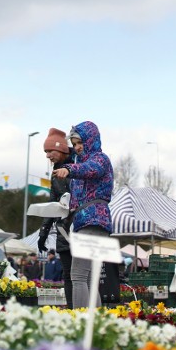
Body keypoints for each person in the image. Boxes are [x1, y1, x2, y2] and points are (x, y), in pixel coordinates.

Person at [51, 121, 114, 309]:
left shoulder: (99, 159)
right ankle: (97, 321)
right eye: (75, 143)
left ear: (91, 140)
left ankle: (79, 321)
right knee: (88, 278)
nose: (77, 147)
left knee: (78, 276)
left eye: (80, 143)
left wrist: (69, 169)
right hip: (89, 223)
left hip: (92, 221)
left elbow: (89, 169)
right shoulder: (82, 162)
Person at [37, 127, 75, 305]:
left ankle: (86, 312)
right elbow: (52, 205)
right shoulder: (54, 176)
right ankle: (72, 310)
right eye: (45, 152)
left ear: (61, 149)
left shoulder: (79, 165)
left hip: (80, 228)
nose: (47, 156)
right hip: (63, 231)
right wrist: (43, 232)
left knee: (81, 274)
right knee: (68, 274)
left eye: (50, 151)